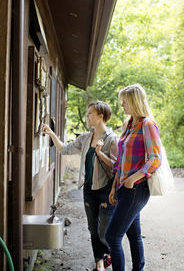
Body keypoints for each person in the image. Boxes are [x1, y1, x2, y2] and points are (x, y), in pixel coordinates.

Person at [42, 101, 118, 271]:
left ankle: (108, 255)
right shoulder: (85, 137)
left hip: (106, 191)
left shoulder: (112, 139)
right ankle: (99, 263)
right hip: (88, 190)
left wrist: (99, 153)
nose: (87, 116)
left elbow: (116, 166)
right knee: (92, 228)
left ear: (101, 116)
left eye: (91, 113)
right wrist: (52, 133)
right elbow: (65, 149)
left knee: (104, 230)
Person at [105, 84, 162, 271]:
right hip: (123, 188)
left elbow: (155, 159)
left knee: (112, 236)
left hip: (137, 189)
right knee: (134, 235)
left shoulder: (148, 125)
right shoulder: (128, 125)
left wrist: (132, 179)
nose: (122, 105)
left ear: (134, 101)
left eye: (124, 101)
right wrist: (114, 187)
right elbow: (120, 161)